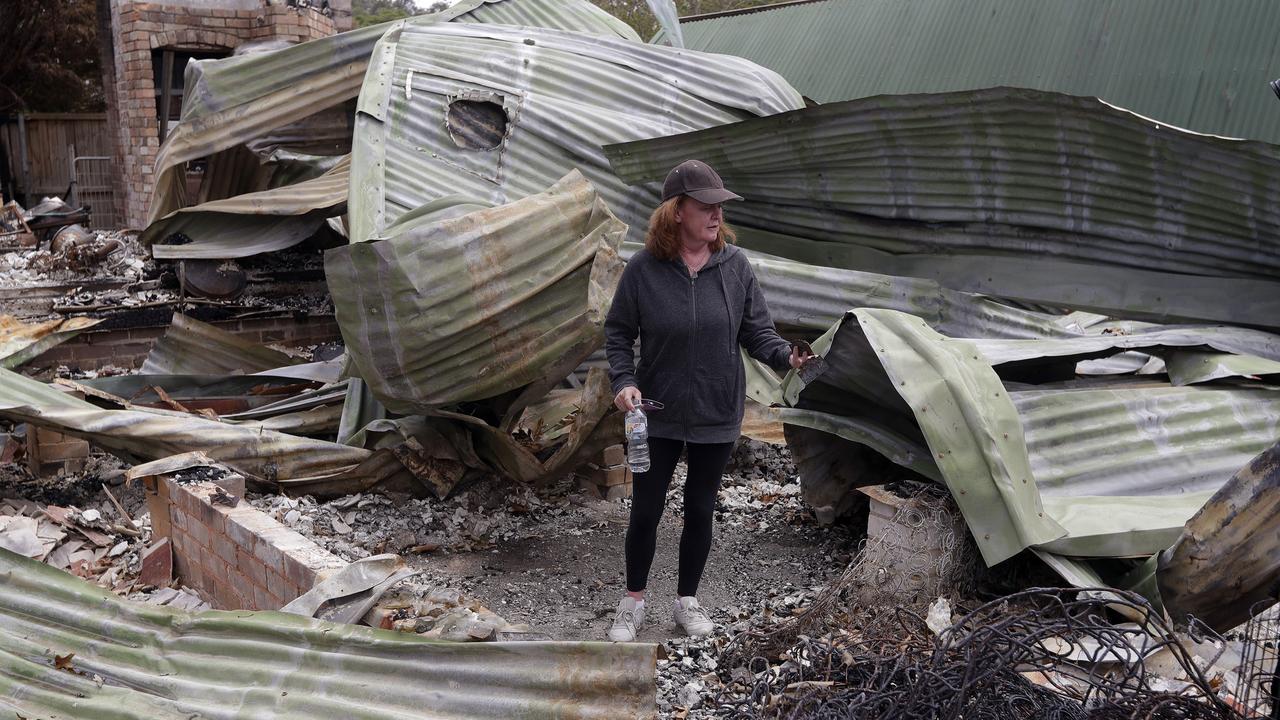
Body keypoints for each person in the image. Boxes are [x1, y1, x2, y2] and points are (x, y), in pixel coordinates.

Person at [603, 159, 810, 642]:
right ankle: (632, 602)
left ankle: (687, 601)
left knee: (700, 509)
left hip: (717, 410)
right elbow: (618, 334)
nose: (716, 215)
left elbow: (758, 333)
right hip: (657, 412)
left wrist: (787, 357)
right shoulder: (643, 270)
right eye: (705, 206)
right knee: (647, 511)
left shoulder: (735, 267)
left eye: (720, 206)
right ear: (677, 212)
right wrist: (623, 382)